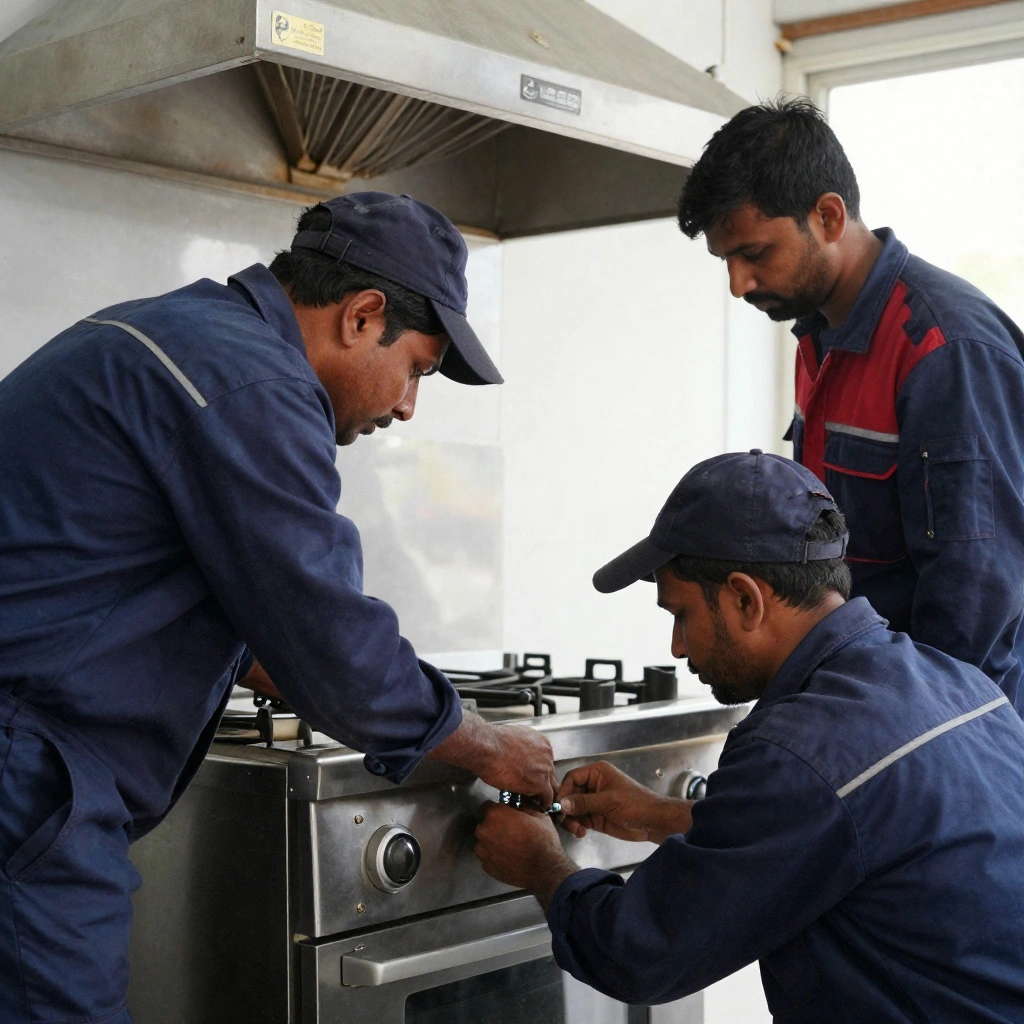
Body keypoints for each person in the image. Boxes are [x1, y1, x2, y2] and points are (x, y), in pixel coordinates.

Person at [0, 191, 555, 1024]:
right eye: (418, 370)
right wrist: (486, 747)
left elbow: (237, 612)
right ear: (363, 316)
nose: (408, 407)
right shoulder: (253, 383)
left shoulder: (186, 336)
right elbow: (330, 637)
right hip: (22, 770)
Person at [474, 450, 1024, 1023]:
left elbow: (638, 954)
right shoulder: (958, 682)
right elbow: (849, 834)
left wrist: (539, 862)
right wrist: (662, 815)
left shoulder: (799, 750)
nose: (677, 648)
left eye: (681, 614)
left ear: (745, 599)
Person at [676, 98, 1024, 714]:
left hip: (944, 734)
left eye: (754, 253)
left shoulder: (941, 347)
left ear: (829, 216)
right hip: (868, 707)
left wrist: (914, 746)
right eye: (725, 261)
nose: (737, 283)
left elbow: (978, 592)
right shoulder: (817, 341)